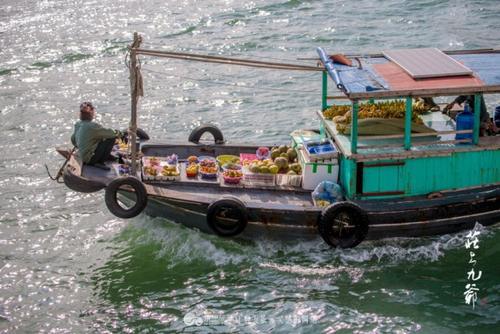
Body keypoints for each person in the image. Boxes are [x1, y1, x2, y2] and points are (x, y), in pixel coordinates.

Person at [71, 102, 122, 169]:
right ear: (91, 113)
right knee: (111, 138)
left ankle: (105, 156)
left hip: (82, 156)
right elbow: (111, 133)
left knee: (101, 138)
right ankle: (100, 161)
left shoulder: (78, 124)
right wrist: (121, 134)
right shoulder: (93, 126)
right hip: (89, 159)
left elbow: (73, 140)